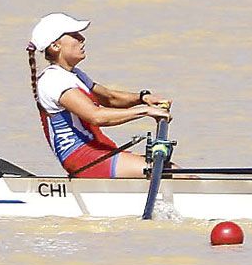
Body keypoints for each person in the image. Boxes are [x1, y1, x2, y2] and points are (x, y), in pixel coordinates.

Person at [26, 12, 171, 178]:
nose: (81, 38)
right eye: (74, 35)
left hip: (96, 148)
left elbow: (109, 98)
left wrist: (142, 97)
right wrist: (145, 111)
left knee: (172, 170)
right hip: (83, 157)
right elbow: (96, 116)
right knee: (174, 174)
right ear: (55, 46)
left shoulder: (74, 75)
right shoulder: (53, 81)